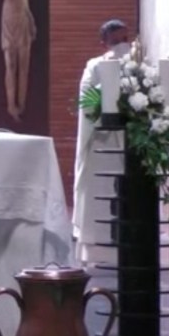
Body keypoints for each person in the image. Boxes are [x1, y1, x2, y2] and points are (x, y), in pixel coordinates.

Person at [73, 19, 130, 263]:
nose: (122, 47)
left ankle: (127, 244)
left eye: (125, 40)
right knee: (98, 193)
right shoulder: (94, 66)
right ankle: (97, 251)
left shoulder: (138, 66)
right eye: (115, 42)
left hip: (127, 139)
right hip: (101, 141)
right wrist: (108, 81)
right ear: (103, 44)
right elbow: (87, 102)